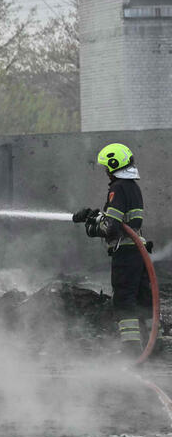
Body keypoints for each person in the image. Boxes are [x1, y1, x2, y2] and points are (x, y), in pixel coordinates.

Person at [72, 143, 151, 359]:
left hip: (125, 255)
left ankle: (131, 350)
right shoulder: (133, 187)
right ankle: (154, 345)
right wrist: (93, 215)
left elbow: (111, 227)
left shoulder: (118, 188)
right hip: (139, 252)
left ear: (113, 165)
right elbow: (126, 219)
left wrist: (91, 227)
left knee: (124, 301)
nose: (105, 171)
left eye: (106, 166)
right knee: (144, 300)